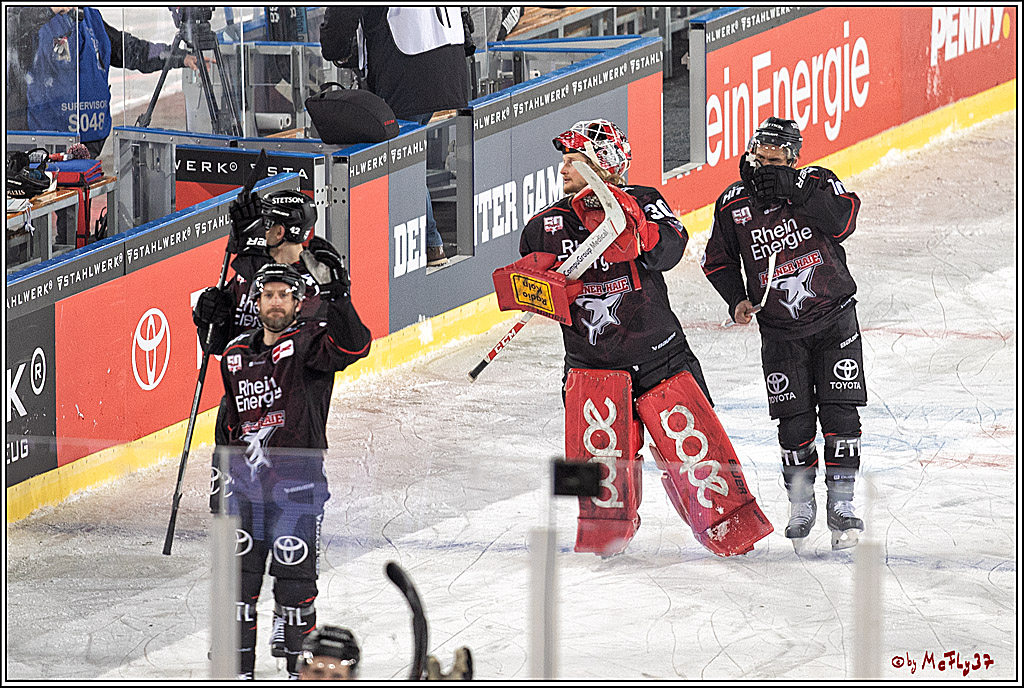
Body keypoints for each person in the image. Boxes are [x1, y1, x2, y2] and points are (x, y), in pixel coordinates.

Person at [495, 119, 772, 558]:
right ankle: (601, 530)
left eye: (575, 159)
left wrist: (641, 232)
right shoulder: (543, 226)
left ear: (603, 165)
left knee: (695, 452)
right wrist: (533, 290)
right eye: (564, 159)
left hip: (660, 357)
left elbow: (671, 251)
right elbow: (537, 292)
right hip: (590, 367)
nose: (563, 168)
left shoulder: (646, 201)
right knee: (595, 465)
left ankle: (729, 524)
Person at [701, 117, 866, 550]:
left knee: (841, 415)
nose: (765, 170)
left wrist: (796, 191)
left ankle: (843, 504)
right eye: (759, 160)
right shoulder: (732, 203)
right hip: (780, 333)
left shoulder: (816, 181)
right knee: (793, 423)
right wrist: (736, 298)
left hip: (834, 322)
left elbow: (844, 220)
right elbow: (716, 261)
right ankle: (801, 503)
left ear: (794, 159)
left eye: (775, 162)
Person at [192, 187, 342, 660]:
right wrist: (209, 321)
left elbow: (304, 330)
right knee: (236, 533)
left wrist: (248, 253)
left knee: (290, 544)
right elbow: (231, 345)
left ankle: (287, 613)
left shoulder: (314, 271)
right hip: (240, 419)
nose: (264, 230)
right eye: (261, 223)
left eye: (271, 224)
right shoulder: (249, 272)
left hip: (290, 421)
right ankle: (238, 638)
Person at [220, 260, 371, 680]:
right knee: (238, 588)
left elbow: (356, 346)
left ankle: (296, 673)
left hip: (298, 491)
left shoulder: (309, 346)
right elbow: (230, 422)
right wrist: (221, 479)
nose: (275, 302)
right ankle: (239, 673)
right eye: (268, 294)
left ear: (298, 302)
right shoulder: (235, 354)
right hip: (245, 491)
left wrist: (340, 299)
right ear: (257, 301)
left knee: (294, 589)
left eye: (284, 294)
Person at [320, 6, 471, 267]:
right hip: (449, 60)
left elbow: (343, 12)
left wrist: (335, 50)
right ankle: (424, 243)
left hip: (407, 68)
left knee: (404, 160)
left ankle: (429, 244)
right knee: (410, 155)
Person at [5, 7, 203, 158]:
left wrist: (178, 57)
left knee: (78, 207)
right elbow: (12, 29)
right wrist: (48, 10)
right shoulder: (22, 14)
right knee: (41, 206)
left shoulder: (90, 17)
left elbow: (129, 49)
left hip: (88, 139)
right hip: (40, 141)